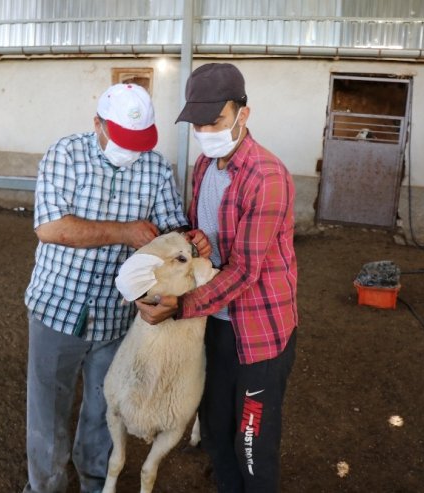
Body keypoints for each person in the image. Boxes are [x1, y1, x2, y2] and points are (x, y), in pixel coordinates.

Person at [21, 83, 207, 493]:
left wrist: (191, 240)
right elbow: (51, 227)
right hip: (57, 306)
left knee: (103, 412)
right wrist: (125, 233)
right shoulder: (64, 155)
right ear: (97, 125)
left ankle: (94, 483)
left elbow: (172, 229)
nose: (132, 151)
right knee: (47, 413)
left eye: (139, 143)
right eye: (124, 140)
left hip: (117, 314)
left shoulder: (156, 169)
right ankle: (45, 487)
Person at [137, 63, 299, 492]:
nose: (206, 130)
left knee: (251, 445)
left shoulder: (267, 178)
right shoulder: (206, 167)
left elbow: (246, 268)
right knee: (213, 433)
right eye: (199, 123)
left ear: (243, 114)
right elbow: (203, 233)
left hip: (258, 332)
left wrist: (182, 306)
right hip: (215, 326)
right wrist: (196, 241)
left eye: (216, 121)